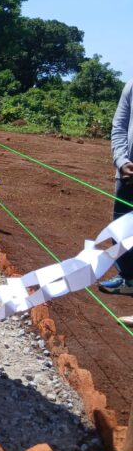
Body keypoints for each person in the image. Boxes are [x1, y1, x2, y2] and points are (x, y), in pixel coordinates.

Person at [100, 78, 133, 296]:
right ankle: (128, 278)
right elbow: (119, 126)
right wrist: (121, 161)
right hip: (128, 174)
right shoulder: (132, 85)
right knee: (122, 229)